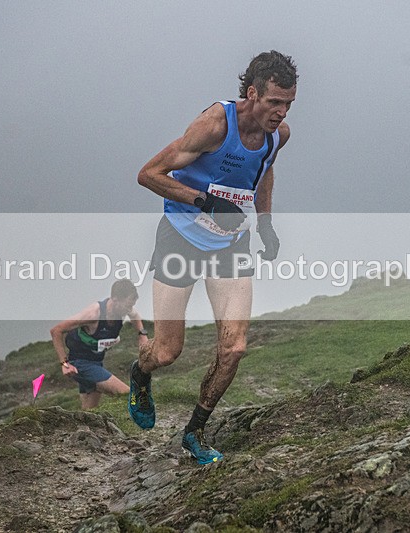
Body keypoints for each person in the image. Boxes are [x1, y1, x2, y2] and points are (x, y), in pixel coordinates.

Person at [129, 50, 298, 464]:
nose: (281, 112)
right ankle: (140, 372)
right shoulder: (214, 125)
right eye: (274, 102)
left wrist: (266, 223)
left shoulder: (280, 134)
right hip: (181, 239)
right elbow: (149, 175)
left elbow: (265, 169)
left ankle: (194, 432)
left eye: (289, 103)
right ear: (253, 93)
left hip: (230, 246)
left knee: (235, 347)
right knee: (168, 352)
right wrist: (205, 202)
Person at [51, 279, 149, 409]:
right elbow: (56, 330)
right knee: (127, 394)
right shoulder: (93, 314)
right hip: (80, 363)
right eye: (127, 306)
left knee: (90, 412)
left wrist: (142, 335)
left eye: (131, 305)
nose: (129, 310)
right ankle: (146, 423)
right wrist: (64, 364)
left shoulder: (123, 309)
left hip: (96, 361)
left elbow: (135, 316)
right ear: (114, 299)